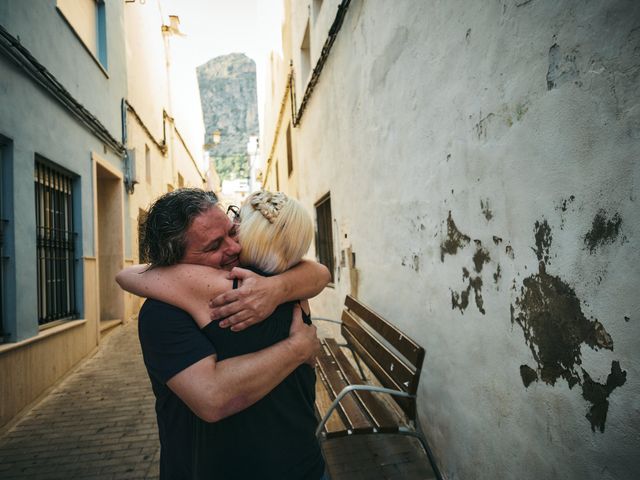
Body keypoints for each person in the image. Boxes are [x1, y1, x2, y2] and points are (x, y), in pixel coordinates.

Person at [116, 188, 330, 479]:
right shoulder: (162, 314)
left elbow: (319, 272)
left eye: (233, 232)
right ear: (173, 263)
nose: (234, 248)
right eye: (214, 245)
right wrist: (297, 348)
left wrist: (278, 288)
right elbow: (212, 397)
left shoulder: (270, 279)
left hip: (302, 466)